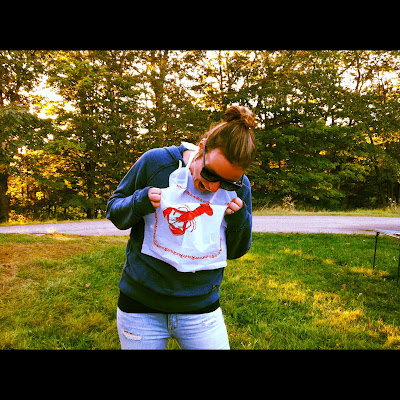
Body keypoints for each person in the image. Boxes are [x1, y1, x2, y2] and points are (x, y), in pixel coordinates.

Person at [107, 105, 257, 349]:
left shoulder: (241, 187)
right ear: (202, 147)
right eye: (210, 174)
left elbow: (238, 250)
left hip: (201, 310)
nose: (213, 188)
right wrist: (139, 201)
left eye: (227, 183)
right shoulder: (156, 162)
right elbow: (114, 211)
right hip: (140, 307)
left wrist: (239, 220)